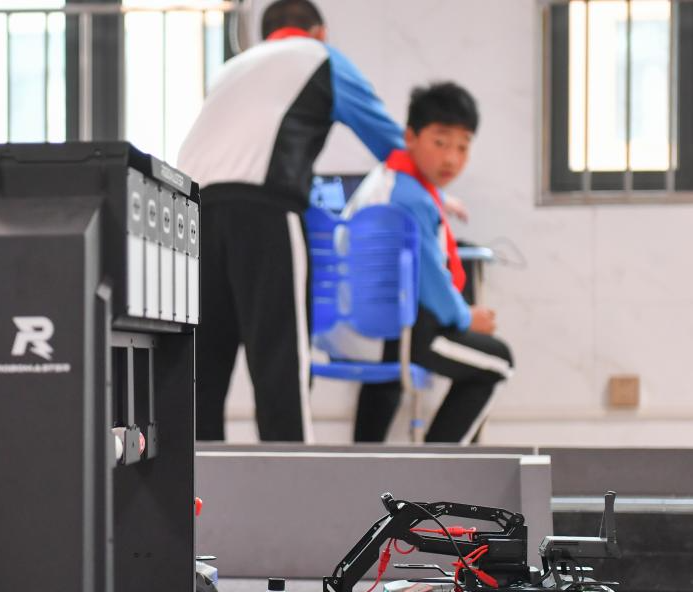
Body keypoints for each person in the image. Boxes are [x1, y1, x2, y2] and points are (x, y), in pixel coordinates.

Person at [177, 0, 407, 442]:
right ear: (318, 31)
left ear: (265, 36)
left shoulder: (230, 70)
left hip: (189, 216)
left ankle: (195, 499)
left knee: (201, 374)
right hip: (262, 211)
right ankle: (290, 498)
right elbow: (394, 146)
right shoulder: (321, 57)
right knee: (280, 368)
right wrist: (436, 196)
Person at [318, 82, 513, 444]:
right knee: (498, 361)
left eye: (462, 146)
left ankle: (363, 468)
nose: (451, 158)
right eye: (440, 142)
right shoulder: (411, 197)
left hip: (346, 324)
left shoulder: (389, 178)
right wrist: (468, 317)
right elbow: (431, 284)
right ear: (410, 137)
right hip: (385, 330)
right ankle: (435, 471)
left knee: (389, 382)